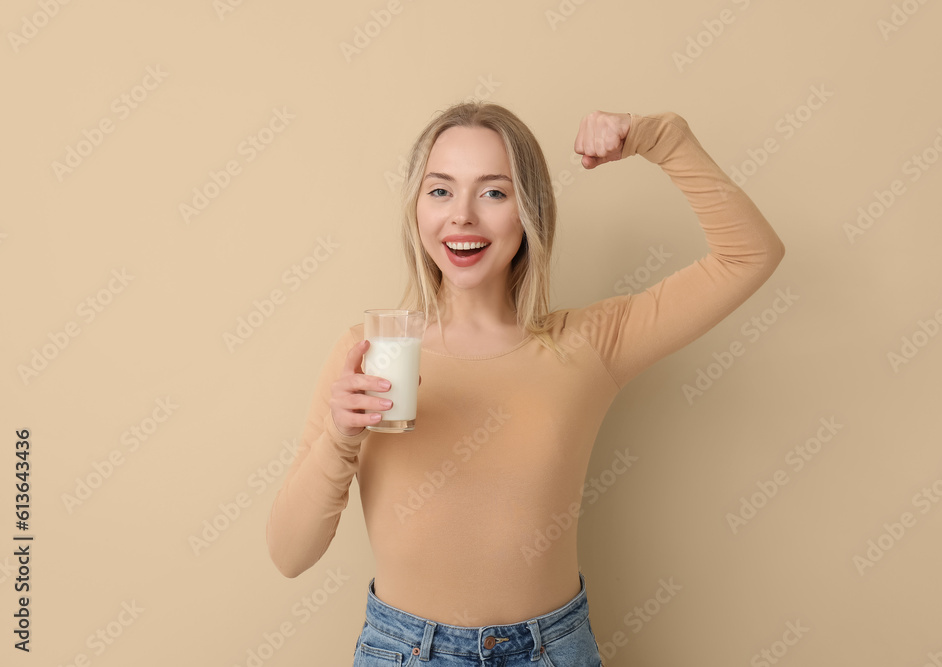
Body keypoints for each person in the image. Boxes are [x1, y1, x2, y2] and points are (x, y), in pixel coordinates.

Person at [266, 101, 785, 666]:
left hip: (551, 652)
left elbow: (750, 255)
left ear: (529, 209)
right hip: (404, 652)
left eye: (493, 192)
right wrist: (340, 439)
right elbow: (289, 555)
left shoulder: (590, 344)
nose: (462, 216)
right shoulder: (366, 354)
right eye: (440, 190)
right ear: (416, 208)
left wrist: (662, 137)